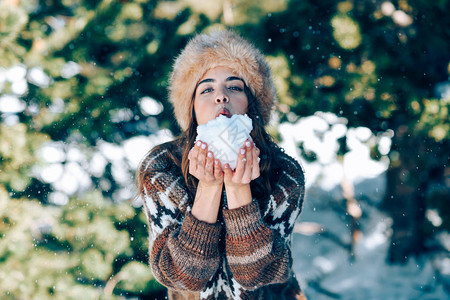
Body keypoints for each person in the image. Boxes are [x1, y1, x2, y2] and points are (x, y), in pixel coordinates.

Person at [137, 30, 307, 300]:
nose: (221, 96)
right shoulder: (162, 168)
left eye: (234, 86)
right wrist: (209, 187)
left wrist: (239, 191)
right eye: (206, 88)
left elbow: (259, 275)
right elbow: (182, 277)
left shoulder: (284, 172)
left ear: (251, 104)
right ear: (191, 107)